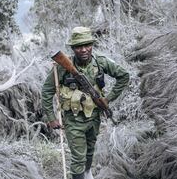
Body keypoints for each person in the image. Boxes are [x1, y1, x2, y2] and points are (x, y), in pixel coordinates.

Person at [41, 27, 130, 179]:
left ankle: (87, 173)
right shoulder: (63, 67)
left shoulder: (100, 62)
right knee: (78, 158)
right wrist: (51, 117)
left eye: (87, 45)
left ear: (92, 45)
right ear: (73, 48)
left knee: (89, 152)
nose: (83, 50)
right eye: (78, 47)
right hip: (73, 120)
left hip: (94, 117)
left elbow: (124, 76)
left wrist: (108, 99)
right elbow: (47, 91)